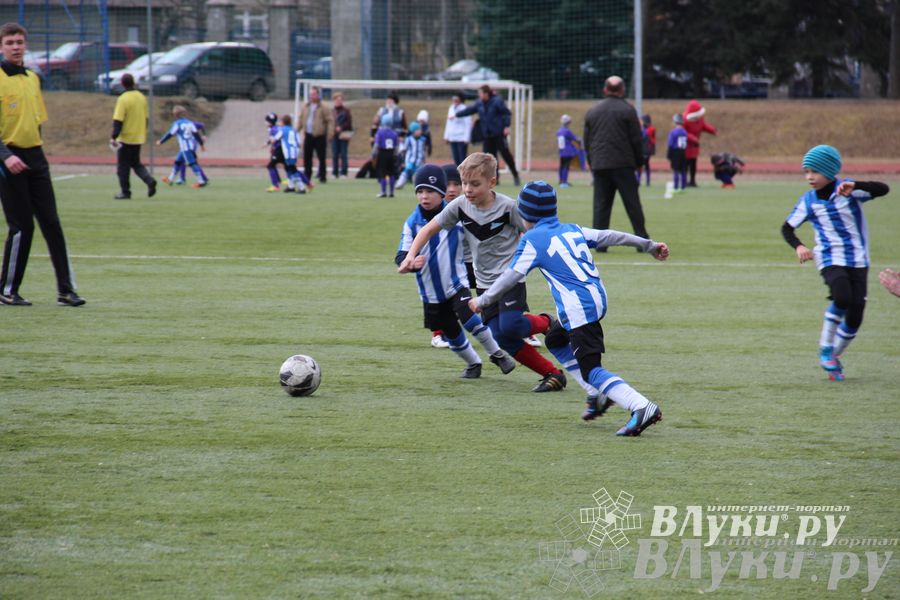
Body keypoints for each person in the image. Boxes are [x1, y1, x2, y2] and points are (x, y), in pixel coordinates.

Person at [469, 181, 669, 435]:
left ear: (525, 214)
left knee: (592, 369)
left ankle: (641, 406)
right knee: (555, 338)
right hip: (596, 298)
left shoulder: (532, 239)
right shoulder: (571, 229)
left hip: (579, 309)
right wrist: (649, 245)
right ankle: (595, 395)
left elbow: (511, 276)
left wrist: (483, 300)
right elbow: (610, 235)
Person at [398, 152, 566, 392]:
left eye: (474, 184)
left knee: (509, 326)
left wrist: (536, 255)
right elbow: (427, 230)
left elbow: (532, 232)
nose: (467, 189)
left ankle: (547, 322)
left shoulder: (508, 207)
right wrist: (411, 256)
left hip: (509, 278)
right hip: (484, 283)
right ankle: (553, 374)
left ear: (492, 183)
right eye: (464, 183)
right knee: (501, 336)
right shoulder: (459, 206)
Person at [395, 163, 516, 377]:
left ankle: (497, 354)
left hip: (456, 283)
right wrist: (409, 263)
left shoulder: (456, 215)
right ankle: (473, 363)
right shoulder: (412, 223)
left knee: (470, 319)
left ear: (441, 193)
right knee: (450, 332)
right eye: (420, 191)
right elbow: (401, 255)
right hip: (430, 292)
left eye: (431, 191)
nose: (425, 196)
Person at [781, 145, 890, 381]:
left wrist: (857, 185)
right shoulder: (808, 201)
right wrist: (799, 246)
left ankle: (834, 357)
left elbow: (884, 189)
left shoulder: (847, 190)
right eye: (806, 171)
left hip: (858, 260)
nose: (809, 177)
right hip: (829, 258)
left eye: (814, 171)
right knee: (842, 297)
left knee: (855, 318)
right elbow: (787, 227)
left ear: (830, 171)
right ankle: (825, 348)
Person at [0, 22, 84, 307]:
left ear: (26, 45)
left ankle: (66, 290)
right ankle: (8, 290)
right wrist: (5, 156)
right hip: (7, 158)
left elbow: (37, 122)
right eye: (10, 42)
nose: (15, 47)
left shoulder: (32, 78)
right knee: (22, 227)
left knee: (51, 223)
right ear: (1, 46)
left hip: (35, 157)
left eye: (20, 42)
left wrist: (39, 153)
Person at [583, 76, 649, 245]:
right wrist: (640, 163)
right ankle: (641, 240)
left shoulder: (593, 110)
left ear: (605, 90)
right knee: (632, 203)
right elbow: (636, 139)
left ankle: (599, 244)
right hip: (623, 164)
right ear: (622, 90)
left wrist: (591, 161)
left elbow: (587, 140)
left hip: (600, 163)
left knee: (601, 205)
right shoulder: (628, 110)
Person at [453, 85, 521, 186]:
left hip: (499, 134)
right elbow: (470, 110)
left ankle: (515, 175)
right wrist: (456, 114)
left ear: (486, 93)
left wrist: (506, 126)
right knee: (489, 159)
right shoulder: (479, 103)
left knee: (505, 154)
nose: (479, 95)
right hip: (487, 135)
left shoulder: (497, 101)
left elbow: (506, 113)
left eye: (480, 93)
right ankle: (495, 179)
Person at [109, 72, 156, 200]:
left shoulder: (123, 98)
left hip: (125, 138)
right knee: (136, 163)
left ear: (122, 84)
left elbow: (118, 119)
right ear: (133, 83)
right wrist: (142, 132)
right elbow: (146, 118)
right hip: (138, 136)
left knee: (122, 167)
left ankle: (125, 192)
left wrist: (114, 136)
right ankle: (149, 180)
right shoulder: (141, 97)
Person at [158, 105, 208, 188]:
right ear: (184, 114)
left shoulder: (177, 124)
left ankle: (201, 181)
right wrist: (201, 144)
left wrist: (161, 141)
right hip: (190, 146)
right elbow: (196, 135)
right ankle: (170, 179)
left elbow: (170, 134)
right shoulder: (190, 123)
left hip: (185, 148)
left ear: (174, 115)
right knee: (177, 161)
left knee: (192, 163)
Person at [298, 86, 331, 184]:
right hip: (308, 134)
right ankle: (307, 175)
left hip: (319, 135)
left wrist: (330, 134)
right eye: (310, 94)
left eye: (313, 94)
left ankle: (322, 176)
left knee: (321, 157)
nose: (311, 96)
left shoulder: (324, 107)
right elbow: (301, 119)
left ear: (318, 95)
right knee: (307, 156)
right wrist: (295, 130)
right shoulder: (305, 106)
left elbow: (330, 121)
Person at [682, 99, 716, 187]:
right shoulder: (685, 120)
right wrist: (692, 138)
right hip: (686, 146)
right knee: (686, 164)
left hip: (694, 146)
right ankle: (684, 181)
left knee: (693, 164)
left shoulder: (699, 119)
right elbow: (683, 132)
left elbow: (703, 126)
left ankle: (692, 181)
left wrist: (712, 130)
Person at [271, 114, 308, 194]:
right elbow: (299, 143)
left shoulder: (282, 130)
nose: (279, 123)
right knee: (288, 169)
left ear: (283, 122)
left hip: (288, 152)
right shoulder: (294, 130)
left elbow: (275, 139)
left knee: (292, 169)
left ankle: (301, 188)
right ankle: (291, 187)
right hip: (294, 152)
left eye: (280, 121)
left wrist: (269, 141)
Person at [373, 113, 399, 198]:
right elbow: (396, 147)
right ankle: (391, 192)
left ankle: (383, 192)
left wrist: (373, 154)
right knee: (391, 174)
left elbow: (376, 145)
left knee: (383, 173)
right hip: (391, 154)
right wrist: (396, 156)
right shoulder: (394, 133)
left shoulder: (380, 132)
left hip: (382, 153)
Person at [396, 122, 427, 190]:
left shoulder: (422, 140)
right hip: (410, 160)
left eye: (420, 130)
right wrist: (403, 161)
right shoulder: (409, 139)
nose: (419, 131)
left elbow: (422, 151)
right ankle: (400, 184)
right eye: (417, 130)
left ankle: (417, 185)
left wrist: (423, 160)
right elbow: (404, 150)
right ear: (413, 131)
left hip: (419, 161)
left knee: (417, 173)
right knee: (406, 172)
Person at [443, 92, 472, 166]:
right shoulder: (451, 108)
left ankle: (464, 176)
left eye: (456, 98)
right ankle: (457, 176)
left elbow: (468, 124)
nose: (455, 100)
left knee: (462, 159)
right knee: (456, 159)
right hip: (453, 137)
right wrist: (446, 136)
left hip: (461, 138)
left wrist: (466, 138)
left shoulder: (464, 108)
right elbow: (449, 123)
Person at [331, 92, 353, 179]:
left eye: (340, 100)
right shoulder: (332, 111)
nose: (338, 101)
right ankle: (334, 172)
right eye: (337, 100)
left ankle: (344, 172)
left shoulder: (346, 111)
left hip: (343, 135)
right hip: (334, 135)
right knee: (335, 154)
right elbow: (330, 122)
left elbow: (349, 123)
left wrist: (341, 127)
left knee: (344, 154)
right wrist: (334, 129)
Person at [263, 112, 286, 192]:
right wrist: (267, 144)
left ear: (270, 122)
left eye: (266, 121)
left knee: (270, 166)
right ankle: (279, 181)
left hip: (279, 150)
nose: (265, 122)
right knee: (289, 167)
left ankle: (276, 185)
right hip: (280, 149)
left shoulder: (274, 129)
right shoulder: (275, 128)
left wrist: (272, 145)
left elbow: (276, 139)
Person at [556, 114, 580, 188]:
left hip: (561, 151)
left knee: (561, 166)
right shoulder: (567, 131)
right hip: (568, 151)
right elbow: (575, 139)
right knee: (566, 166)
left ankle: (560, 181)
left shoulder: (559, 131)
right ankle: (564, 182)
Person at [667, 114, 688, 193]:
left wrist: (669, 154)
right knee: (683, 170)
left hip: (675, 152)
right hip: (683, 152)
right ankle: (683, 186)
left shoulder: (673, 132)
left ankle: (676, 186)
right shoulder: (684, 132)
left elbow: (671, 144)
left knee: (676, 170)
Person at [637, 114, 656, 186]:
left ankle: (641, 180)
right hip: (645, 150)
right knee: (644, 166)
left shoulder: (647, 130)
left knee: (642, 166)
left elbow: (643, 136)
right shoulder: (647, 129)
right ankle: (645, 181)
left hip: (645, 150)